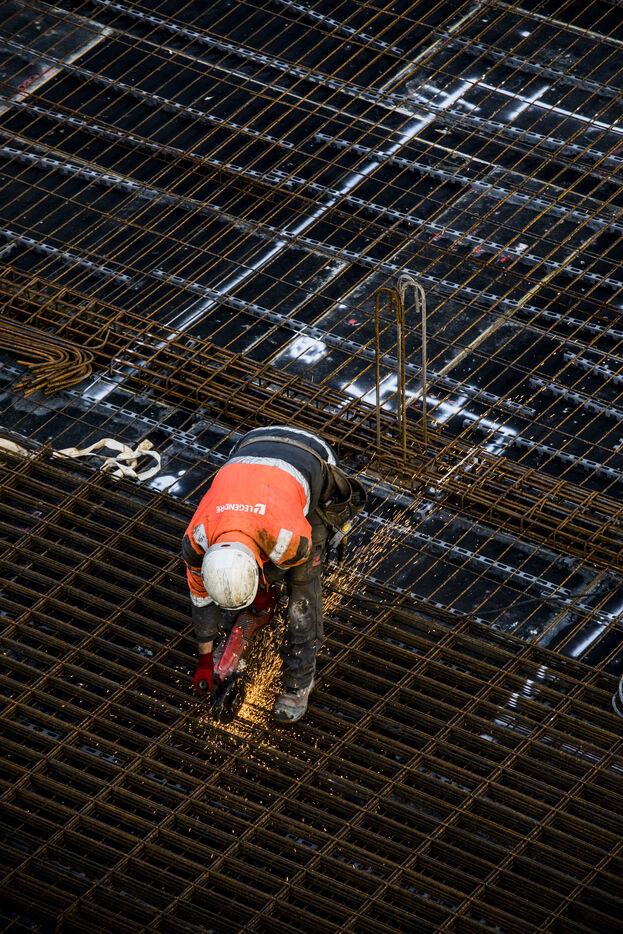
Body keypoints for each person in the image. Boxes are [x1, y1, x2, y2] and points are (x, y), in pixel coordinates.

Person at [182, 424, 365, 723]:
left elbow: (289, 564)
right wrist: (204, 660)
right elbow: (202, 602)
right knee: (238, 587)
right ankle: (241, 627)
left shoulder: (287, 539)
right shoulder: (196, 541)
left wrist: (264, 588)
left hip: (312, 459)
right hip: (250, 445)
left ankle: (299, 681)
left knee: (302, 596)